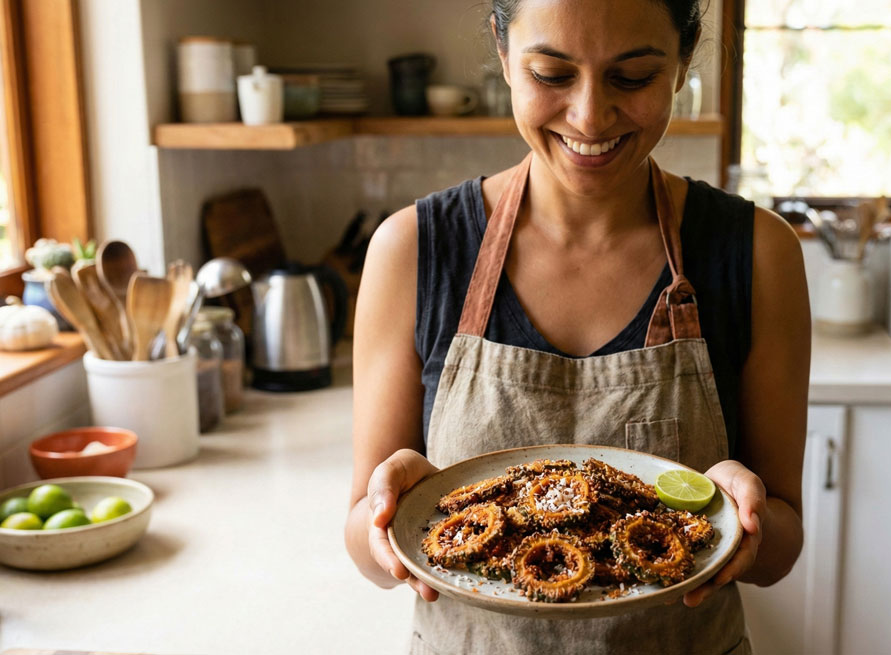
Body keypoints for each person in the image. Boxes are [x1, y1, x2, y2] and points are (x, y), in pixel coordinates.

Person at [345, 0, 810, 652]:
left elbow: (783, 544)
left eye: (633, 77)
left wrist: (748, 523)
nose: (590, 115)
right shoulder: (413, 250)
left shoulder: (758, 253)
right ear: (504, 55)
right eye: (552, 74)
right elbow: (362, 540)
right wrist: (383, 516)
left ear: (681, 63)